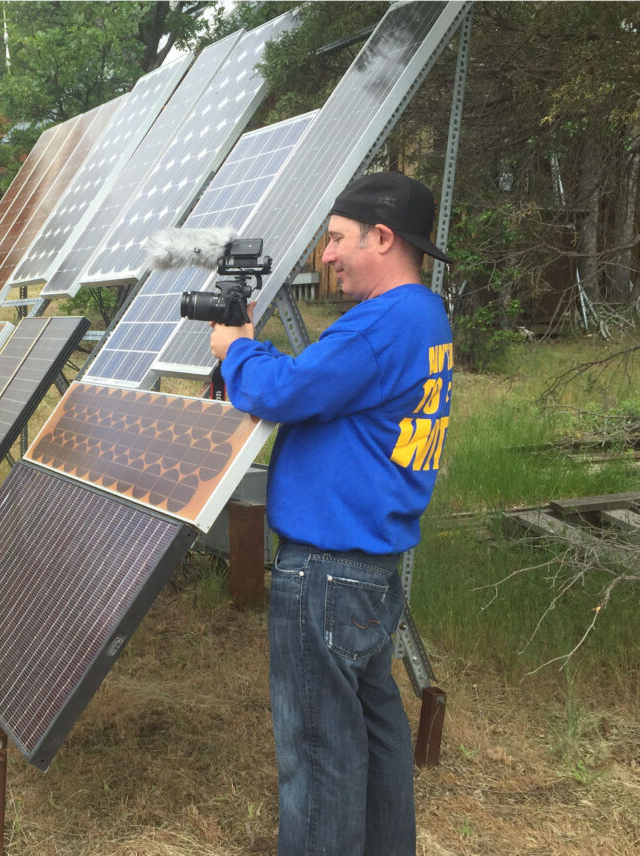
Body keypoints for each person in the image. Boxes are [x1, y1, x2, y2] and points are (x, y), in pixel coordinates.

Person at [209, 171, 454, 855]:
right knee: (373, 739)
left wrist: (236, 351)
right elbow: (328, 388)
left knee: (319, 756)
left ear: (383, 237)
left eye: (339, 239)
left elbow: (286, 388)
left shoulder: (382, 323)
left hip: (326, 571)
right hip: (370, 570)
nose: (327, 255)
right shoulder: (425, 316)